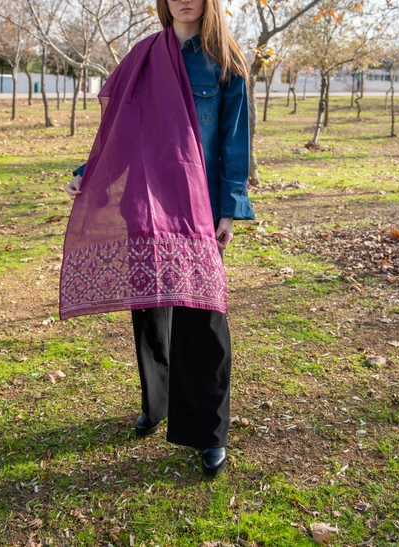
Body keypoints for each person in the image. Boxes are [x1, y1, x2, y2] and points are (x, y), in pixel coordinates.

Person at [62, 0, 255, 477]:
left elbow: (235, 141)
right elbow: (125, 131)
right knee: (149, 309)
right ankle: (158, 401)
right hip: (145, 203)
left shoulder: (225, 61)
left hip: (198, 207)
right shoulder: (144, 54)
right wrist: (92, 175)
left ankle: (209, 431)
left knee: (204, 317)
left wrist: (231, 207)